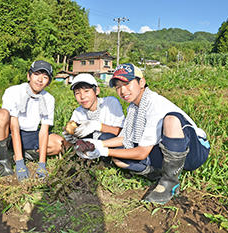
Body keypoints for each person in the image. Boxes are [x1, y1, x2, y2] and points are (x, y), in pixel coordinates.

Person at [76, 63, 210, 204]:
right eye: (118, 87)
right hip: (165, 151)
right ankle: (159, 173)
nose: (123, 91)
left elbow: (141, 152)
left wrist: (104, 151)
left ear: (141, 82)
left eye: (127, 84)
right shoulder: (133, 108)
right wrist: (97, 144)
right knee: (119, 160)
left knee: (172, 119)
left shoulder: (154, 103)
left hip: (194, 152)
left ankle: (170, 182)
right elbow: (125, 138)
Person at [0, 60, 63, 181]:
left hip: (29, 134)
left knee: (58, 143)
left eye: (45, 77)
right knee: (1, 115)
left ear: (48, 82)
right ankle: (4, 160)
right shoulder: (13, 91)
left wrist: (42, 164)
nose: (40, 80)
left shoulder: (49, 99)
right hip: (9, 132)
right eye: (36, 74)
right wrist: (20, 163)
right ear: (29, 76)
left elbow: (44, 131)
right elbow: (14, 128)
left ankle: (26, 154)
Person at [64, 73, 124, 144]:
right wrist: (70, 137)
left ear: (97, 91)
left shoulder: (110, 103)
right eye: (77, 93)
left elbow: (122, 132)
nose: (82, 96)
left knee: (105, 136)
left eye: (86, 91)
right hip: (90, 150)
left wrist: (97, 126)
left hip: (112, 146)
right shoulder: (78, 112)